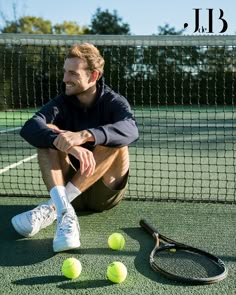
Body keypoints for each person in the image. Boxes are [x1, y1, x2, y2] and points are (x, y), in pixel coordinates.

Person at [11, 43, 139, 253]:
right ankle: (63, 210)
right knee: (49, 134)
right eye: (64, 72)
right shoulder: (62, 102)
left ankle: (52, 208)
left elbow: (131, 129)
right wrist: (69, 145)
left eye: (72, 73)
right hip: (70, 187)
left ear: (93, 75)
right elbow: (30, 127)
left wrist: (86, 135)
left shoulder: (113, 101)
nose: (65, 79)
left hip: (104, 193)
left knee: (116, 140)